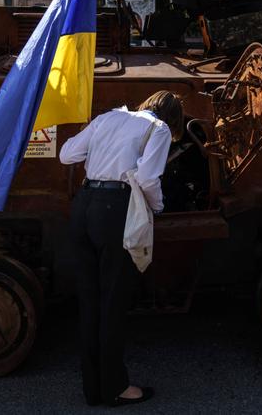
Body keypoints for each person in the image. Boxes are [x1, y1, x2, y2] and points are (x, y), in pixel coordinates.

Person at [59, 90, 184, 407]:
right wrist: (157, 208)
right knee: (112, 302)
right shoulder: (159, 130)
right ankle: (115, 388)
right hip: (116, 210)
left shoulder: (107, 117)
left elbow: (66, 154)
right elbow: (148, 178)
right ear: (173, 118)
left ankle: (93, 389)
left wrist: (102, 156)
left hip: (83, 206)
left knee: (90, 302)